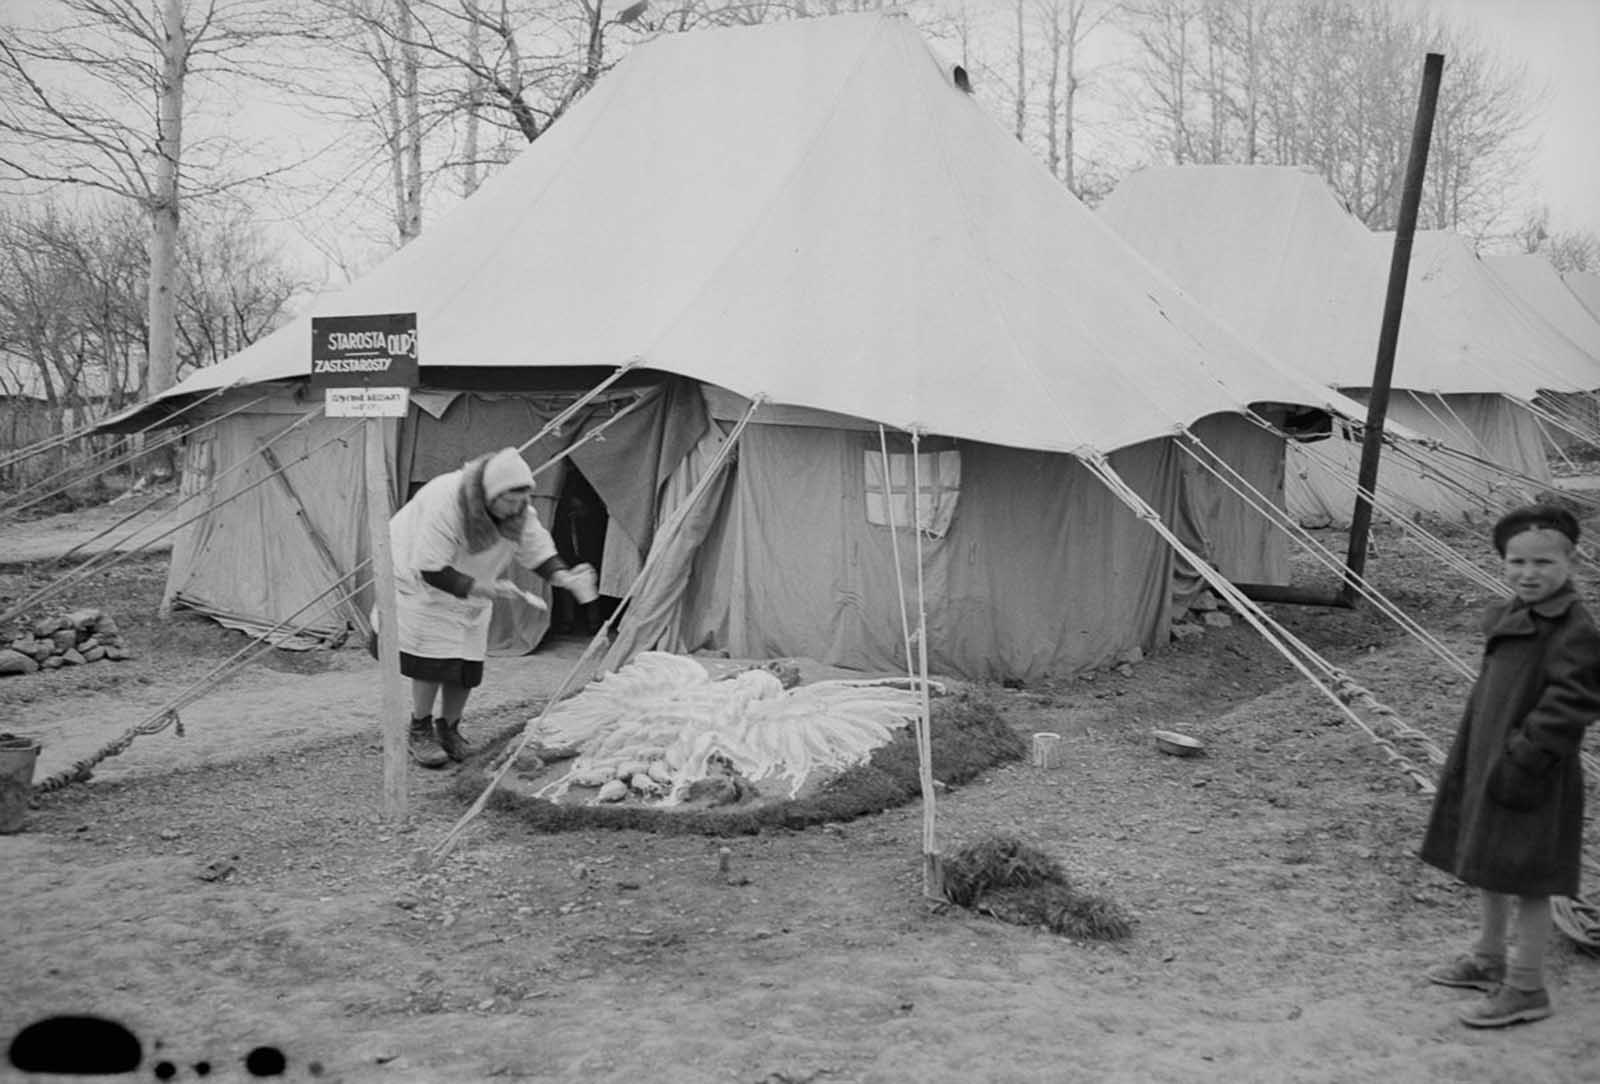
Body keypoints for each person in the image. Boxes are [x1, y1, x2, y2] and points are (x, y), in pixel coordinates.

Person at [1419, 502, 1600, 1028]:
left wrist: (1525, 757)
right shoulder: (1514, 613)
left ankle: (1526, 986)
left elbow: (1573, 701)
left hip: (1533, 774)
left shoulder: (1572, 628)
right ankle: (1488, 956)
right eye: (1517, 562)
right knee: (1489, 862)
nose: (1529, 573)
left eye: (1544, 562)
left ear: (1572, 562)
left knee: (1531, 879)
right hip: (1489, 763)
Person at [383, 446, 597, 769]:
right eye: (509, 501)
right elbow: (430, 567)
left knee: (466, 662)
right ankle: (420, 728)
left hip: (474, 581)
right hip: (424, 581)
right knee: (433, 658)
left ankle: (449, 728)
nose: (516, 509)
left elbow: (538, 551)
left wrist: (566, 578)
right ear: (489, 494)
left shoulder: (518, 510)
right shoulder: (447, 502)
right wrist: (478, 587)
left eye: (521, 501)